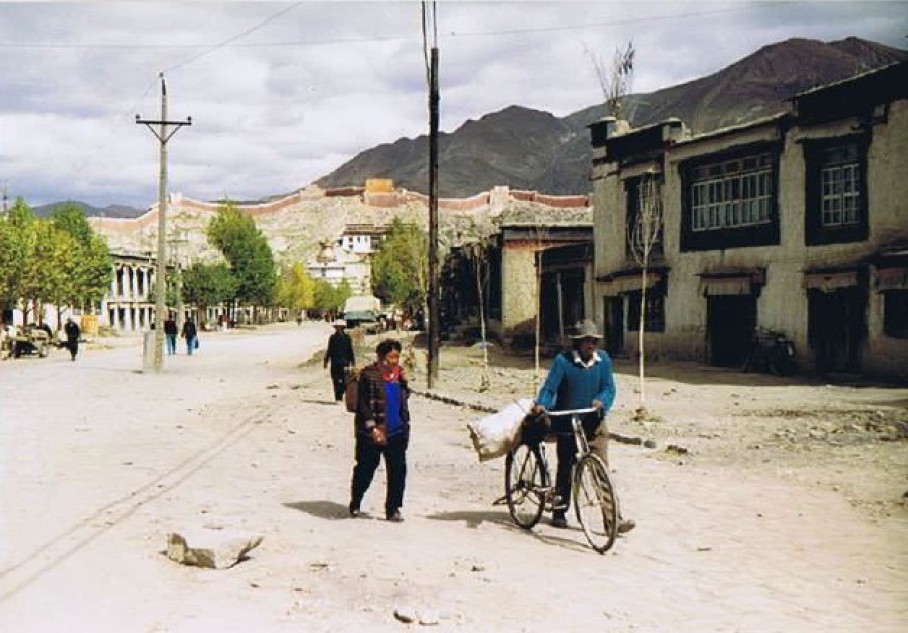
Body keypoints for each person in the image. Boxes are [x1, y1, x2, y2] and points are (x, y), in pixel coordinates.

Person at [532, 319, 635, 533]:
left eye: (594, 341)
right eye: (586, 341)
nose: (590, 345)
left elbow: (609, 388)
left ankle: (612, 520)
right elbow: (550, 388)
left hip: (594, 422)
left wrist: (602, 401)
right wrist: (542, 404)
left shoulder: (603, 360)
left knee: (600, 468)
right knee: (566, 466)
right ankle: (559, 511)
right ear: (577, 343)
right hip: (568, 421)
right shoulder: (563, 362)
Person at [349, 338, 411, 522]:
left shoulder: (399, 375)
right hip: (372, 432)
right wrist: (373, 428)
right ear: (382, 357)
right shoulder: (369, 376)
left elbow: (403, 398)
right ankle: (356, 501)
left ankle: (393, 509)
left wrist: (405, 383)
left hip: (397, 431)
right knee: (366, 468)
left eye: (397, 357)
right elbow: (362, 405)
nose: (395, 361)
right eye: (391, 357)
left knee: (398, 470)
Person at [323, 319, 355, 403]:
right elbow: (329, 350)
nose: (338, 329)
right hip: (335, 362)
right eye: (337, 327)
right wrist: (326, 361)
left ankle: (342, 392)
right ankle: (338, 397)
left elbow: (350, 350)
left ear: (343, 328)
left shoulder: (347, 338)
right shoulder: (332, 338)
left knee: (344, 380)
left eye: (340, 327)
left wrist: (353, 362)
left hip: (345, 362)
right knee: (335, 379)